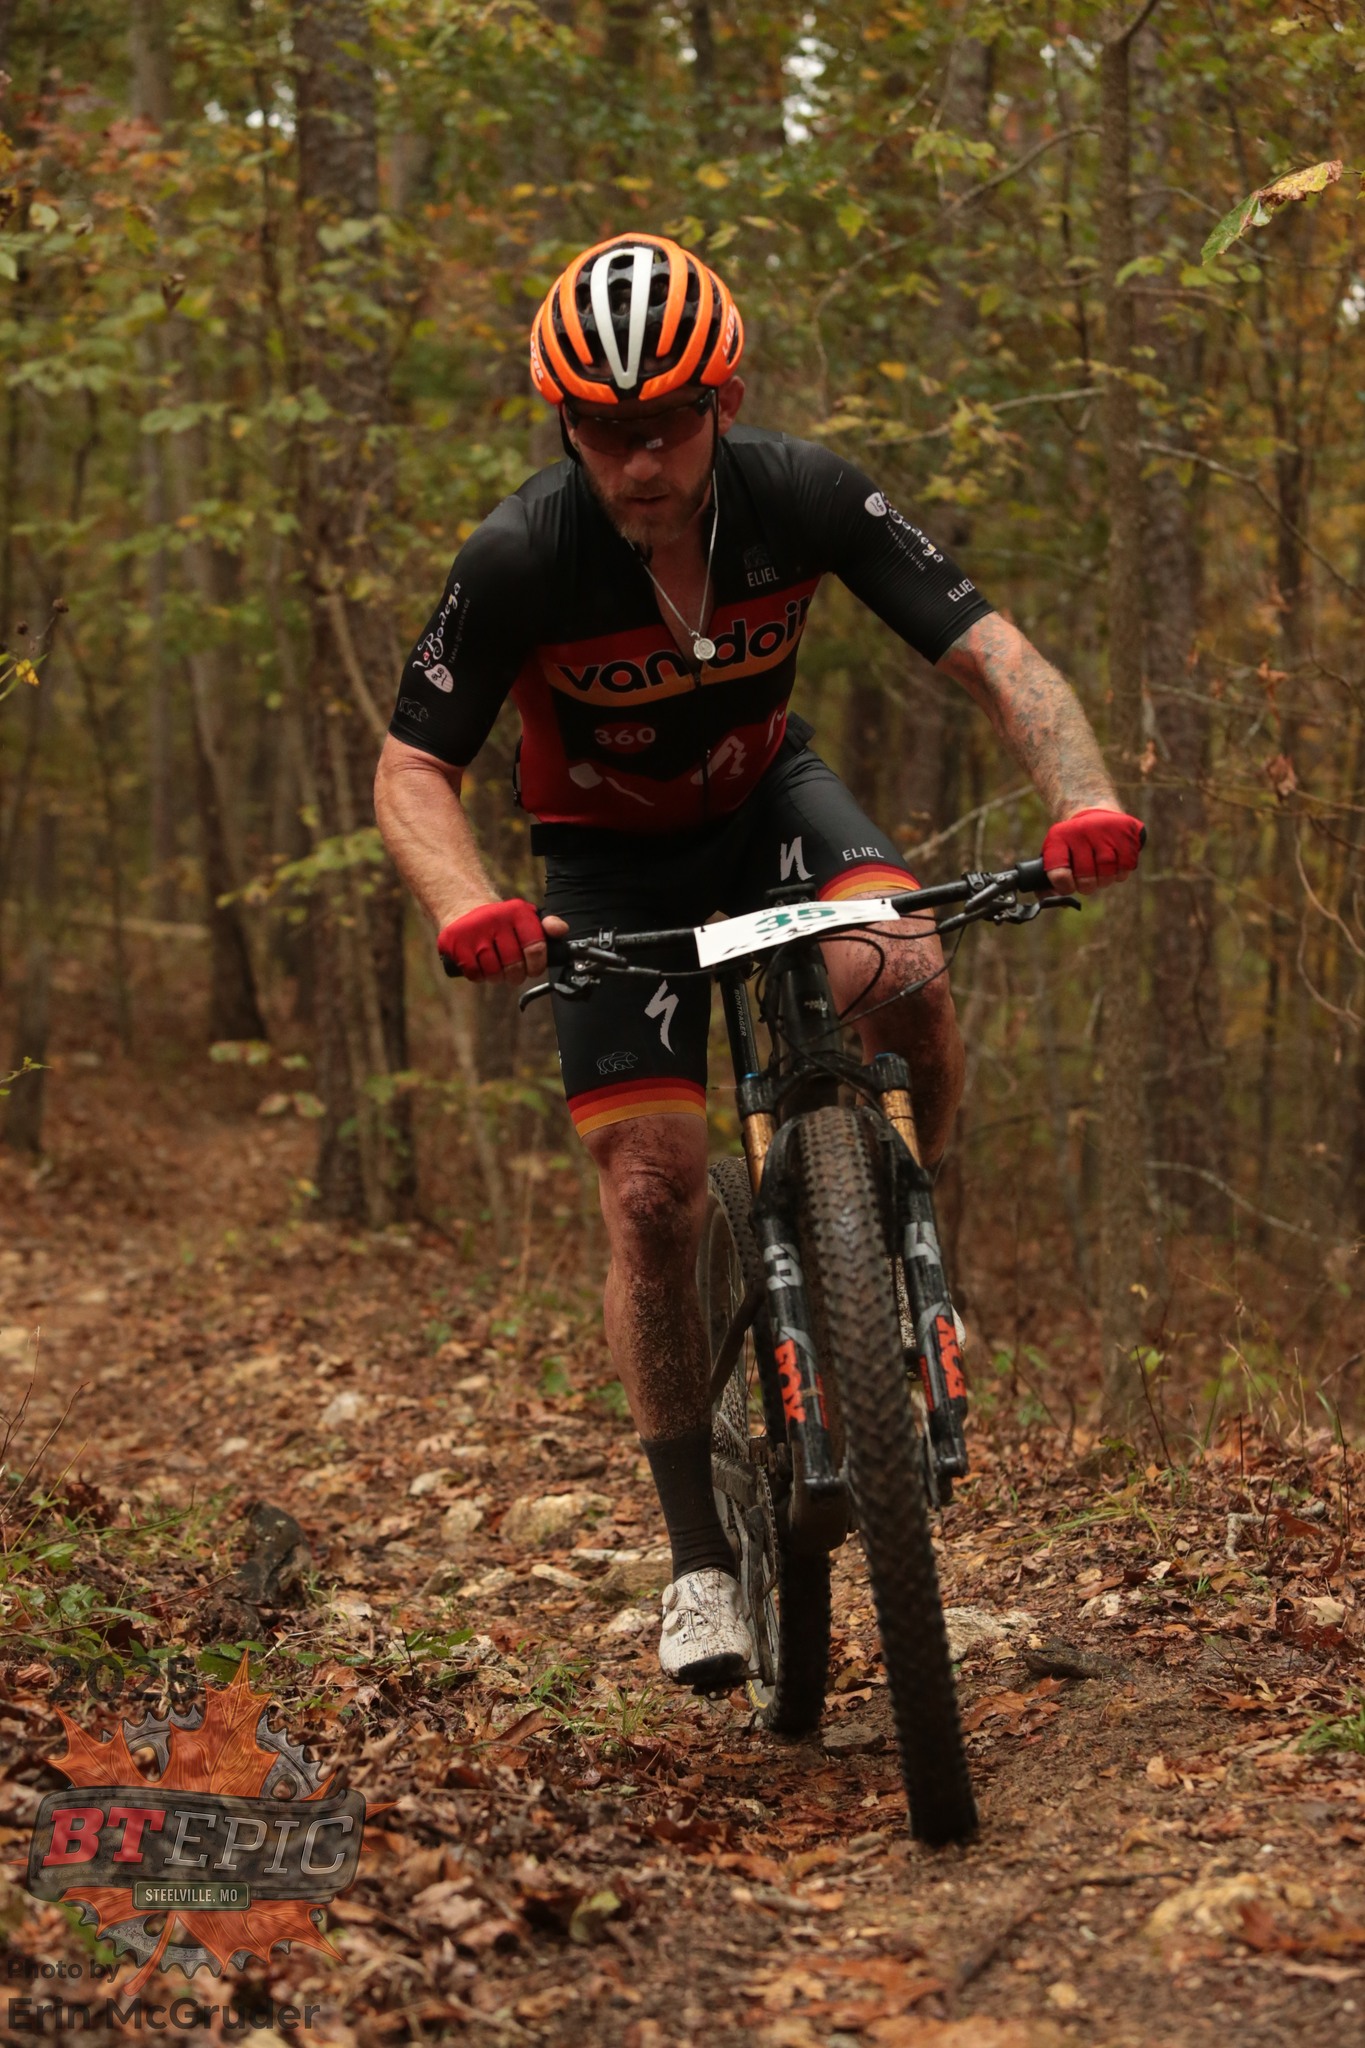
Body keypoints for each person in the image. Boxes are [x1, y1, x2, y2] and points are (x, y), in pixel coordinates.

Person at [374, 234, 1144, 1688]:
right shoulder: (520, 555)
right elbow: (413, 768)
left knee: (906, 972)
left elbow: (996, 655)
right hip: (605, 863)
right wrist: (466, 902)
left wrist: (1083, 797)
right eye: (601, 428)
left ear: (721, 402)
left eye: (667, 422)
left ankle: (904, 1228)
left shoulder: (804, 494)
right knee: (652, 1194)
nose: (637, 460)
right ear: (563, 423)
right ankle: (695, 1561)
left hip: (771, 806)